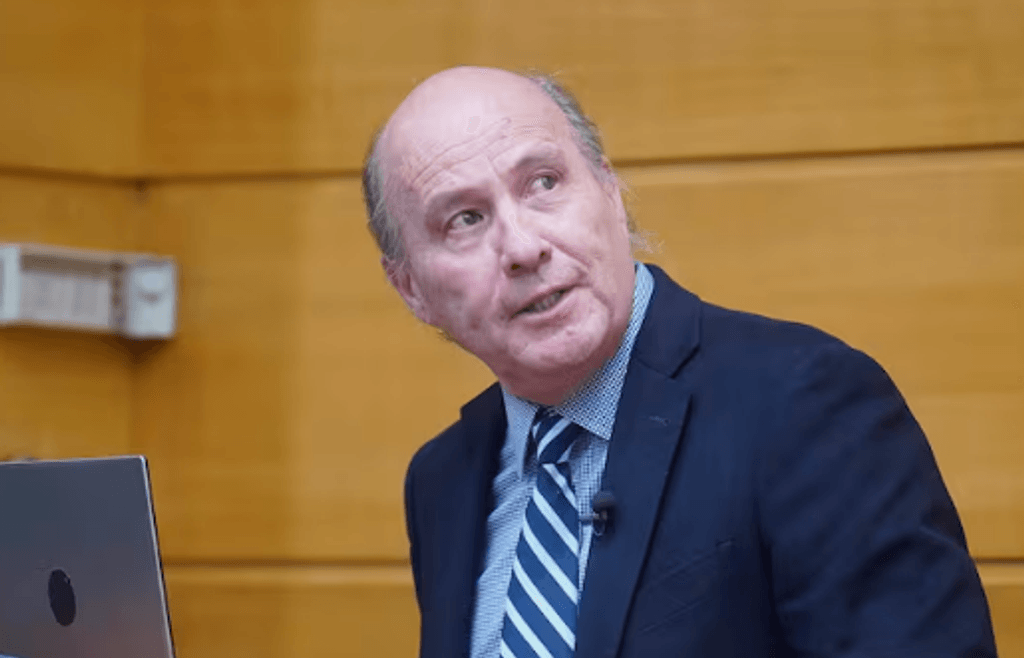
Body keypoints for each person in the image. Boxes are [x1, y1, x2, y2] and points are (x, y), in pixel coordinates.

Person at [362, 66, 997, 658]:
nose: (523, 247)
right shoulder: (441, 479)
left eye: (545, 183)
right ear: (411, 288)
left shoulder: (808, 402)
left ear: (610, 190)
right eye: (465, 219)